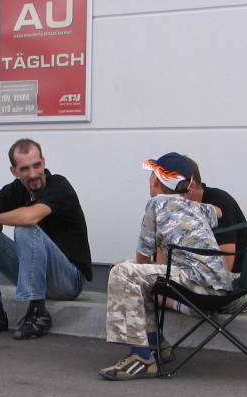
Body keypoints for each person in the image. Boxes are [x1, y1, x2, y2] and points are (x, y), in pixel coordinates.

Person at [98, 152, 233, 380]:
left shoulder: (156, 204)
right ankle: (153, 342)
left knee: (123, 271)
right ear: (189, 184)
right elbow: (219, 212)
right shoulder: (197, 207)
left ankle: (141, 357)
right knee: (130, 271)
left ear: (155, 180)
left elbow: (143, 258)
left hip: (195, 281)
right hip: (218, 283)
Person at [0, 138, 92, 340]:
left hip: (69, 279)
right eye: (24, 169)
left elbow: (29, 217)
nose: (33, 174)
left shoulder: (60, 186)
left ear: (44, 162)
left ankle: (37, 311)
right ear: (14, 171)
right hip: (34, 271)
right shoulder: (14, 190)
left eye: (36, 165)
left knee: (25, 228)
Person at [161, 156, 247, 316]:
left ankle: (180, 305)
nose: (167, 194)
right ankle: (184, 307)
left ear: (191, 185)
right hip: (191, 277)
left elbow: (225, 265)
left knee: (144, 282)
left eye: (170, 188)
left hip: (229, 285)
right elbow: (160, 263)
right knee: (127, 274)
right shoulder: (171, 209)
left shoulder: (218, 203)